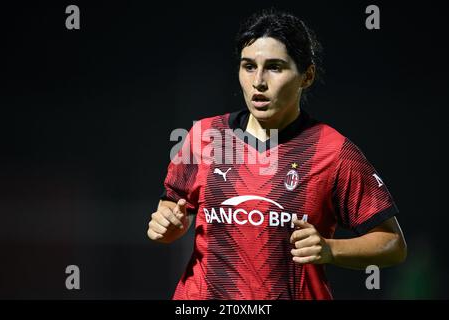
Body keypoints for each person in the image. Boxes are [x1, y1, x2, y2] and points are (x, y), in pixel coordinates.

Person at [147, 9, 407, 300]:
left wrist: (331, 249)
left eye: (274, 67)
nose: (258, 81)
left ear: (306, 76)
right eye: (248, 66)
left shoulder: (333, 151)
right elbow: (170, 211)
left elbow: (393, 244)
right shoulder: (205, 136)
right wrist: (167, 225)